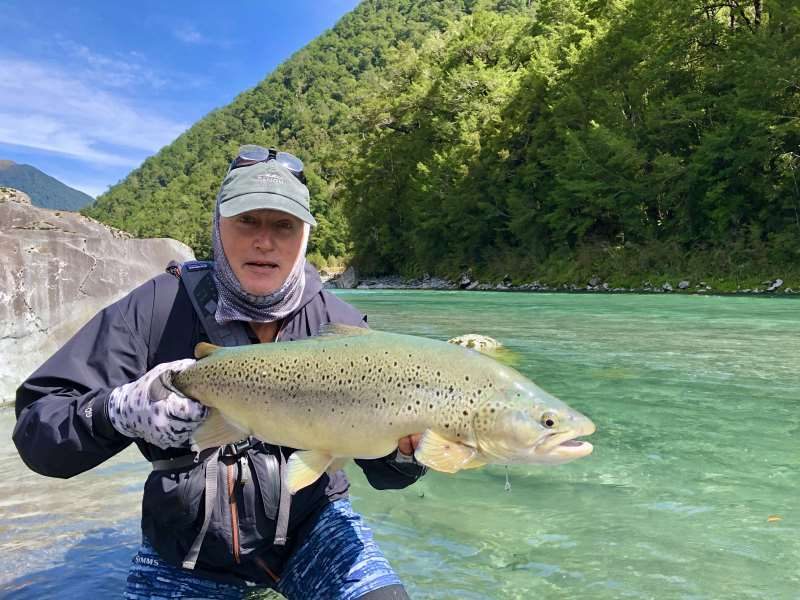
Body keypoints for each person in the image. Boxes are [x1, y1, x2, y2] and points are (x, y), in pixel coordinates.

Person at [13, 145, 426, 599]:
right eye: (247, 220)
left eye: (282, 225)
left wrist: (406, 451)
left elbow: (389, 475)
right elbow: (39, 434)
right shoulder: (155, 308)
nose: (264, 241)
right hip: (186, 549)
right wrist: (118, 411)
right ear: (218, 224)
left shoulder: (341, 326)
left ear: (304, 235)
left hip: (313, 531)